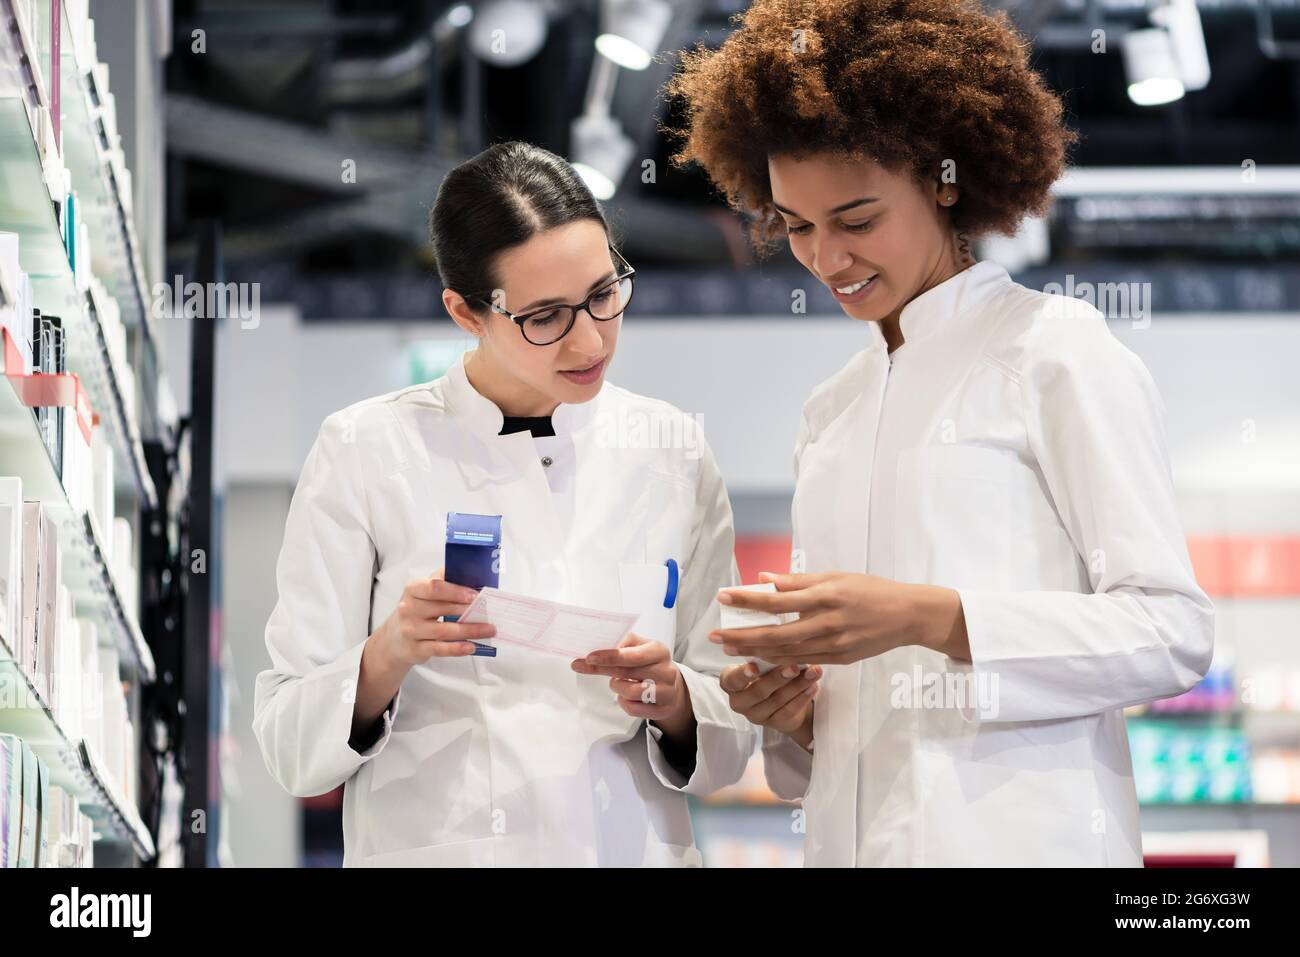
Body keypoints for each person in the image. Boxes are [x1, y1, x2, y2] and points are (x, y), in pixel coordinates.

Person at [666, 0, 1214, 866]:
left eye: (856, 219)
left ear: (946, 179)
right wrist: (798, 713)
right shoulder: (831, 411)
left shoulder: (1052, 351)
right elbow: (837, 735)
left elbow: (1170, 631)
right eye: (795, 225)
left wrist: (929, 617)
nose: (827, 258)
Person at [252, 141, 754, 867]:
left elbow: (731, 735)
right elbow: (289, 745)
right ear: (465, 310)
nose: (589, 338)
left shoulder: (672, 449)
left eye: (605, 293)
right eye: (546, 315)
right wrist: (388, 653)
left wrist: (674, 699)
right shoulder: (366, 448)